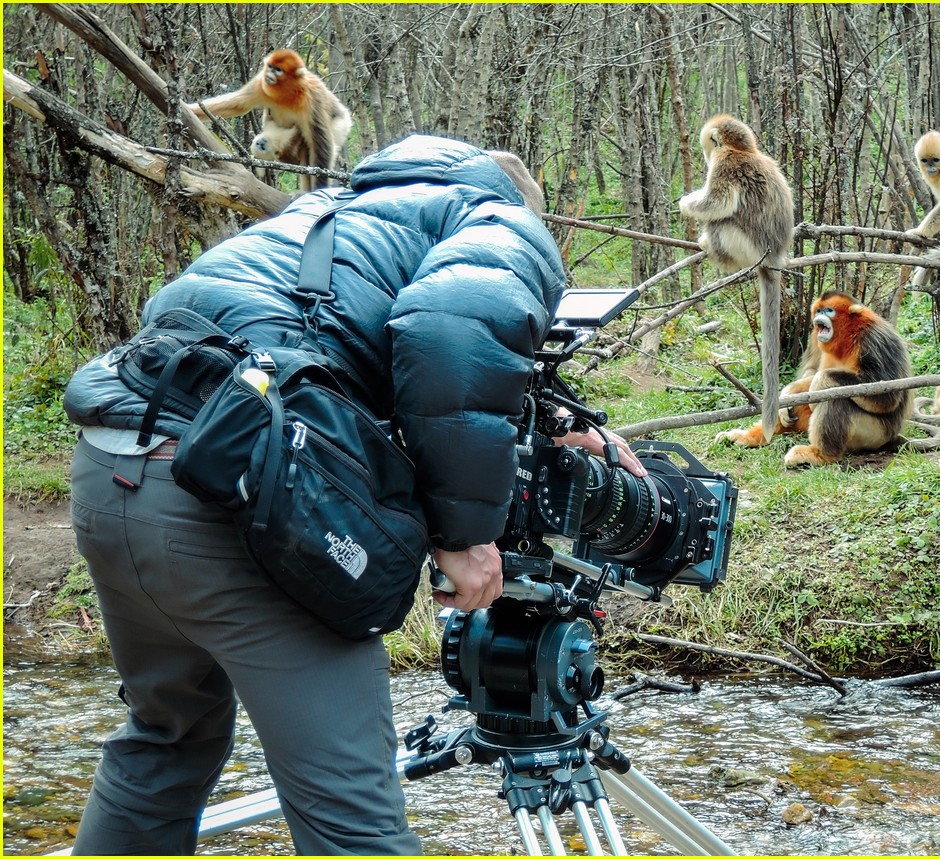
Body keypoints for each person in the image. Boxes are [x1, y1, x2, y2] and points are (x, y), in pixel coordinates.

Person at [62, 134, 645, 855]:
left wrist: (554, 421)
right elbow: (445, 334)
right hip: (230, 505)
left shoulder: (326, 214)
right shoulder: (501, 218)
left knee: (164, 744)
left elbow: (347, 351)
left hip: (113, 471)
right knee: (353, 823)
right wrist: (464, 537)